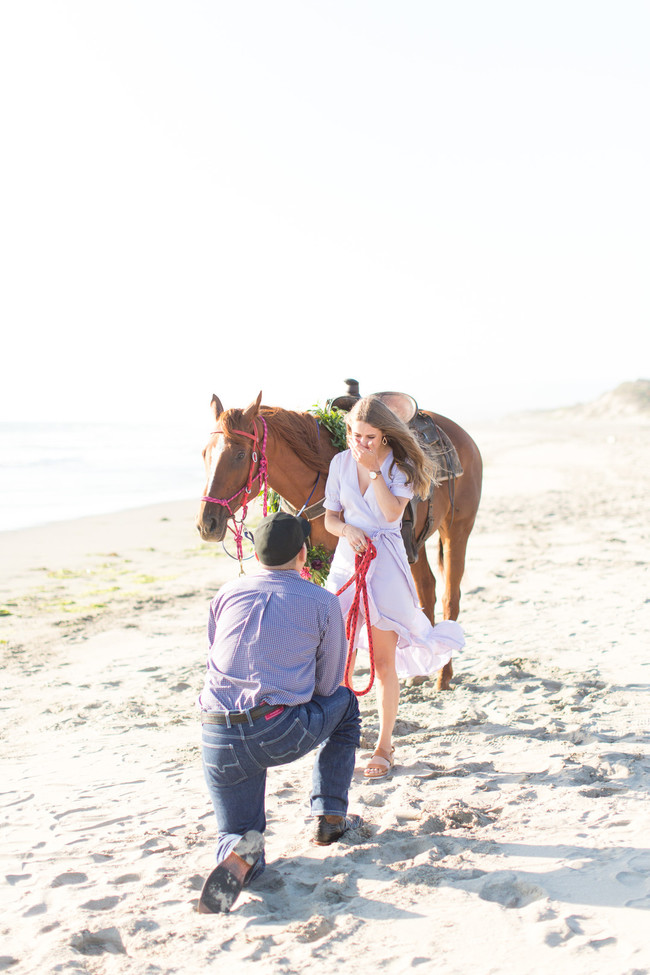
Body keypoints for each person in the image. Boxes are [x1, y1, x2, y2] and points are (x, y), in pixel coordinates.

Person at [198, 511, 362, 914]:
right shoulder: (323, 602)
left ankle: (239, 852)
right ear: (304, 554)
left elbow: (214, 654)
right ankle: (330, 815)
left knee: (238, 830)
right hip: (276, 730)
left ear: (256, 555)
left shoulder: (226, 593)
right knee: (346, 705)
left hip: (216, 733)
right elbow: (328, 687)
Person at [323, 396, 465, 781]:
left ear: (385, 435)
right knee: (342, 659)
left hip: (384, 561)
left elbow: (389, 513)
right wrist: (347, 529)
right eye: (354, 435)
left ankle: (384, 744)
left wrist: (372, 472)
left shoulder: (399, 466)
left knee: (384, 663)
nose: (360, 443)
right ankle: (342, 737)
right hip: (346, 562)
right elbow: (332, 518)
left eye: (369, 437)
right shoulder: (339, 463)